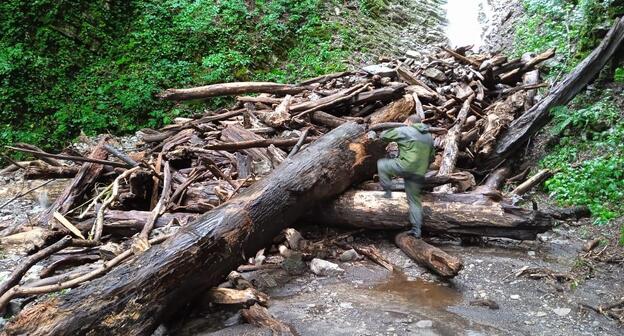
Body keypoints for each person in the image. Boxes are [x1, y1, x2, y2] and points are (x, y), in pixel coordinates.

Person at [377, 114, 433, 238]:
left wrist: (399, 127)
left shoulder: (406, 129)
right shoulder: (429, 136)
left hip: (405, 166)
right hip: (419, 171)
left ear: (408, 121)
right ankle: (416, 230)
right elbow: (432, 156)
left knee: (381, 164)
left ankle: (387, 191)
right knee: (414, 201)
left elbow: (384, 136)